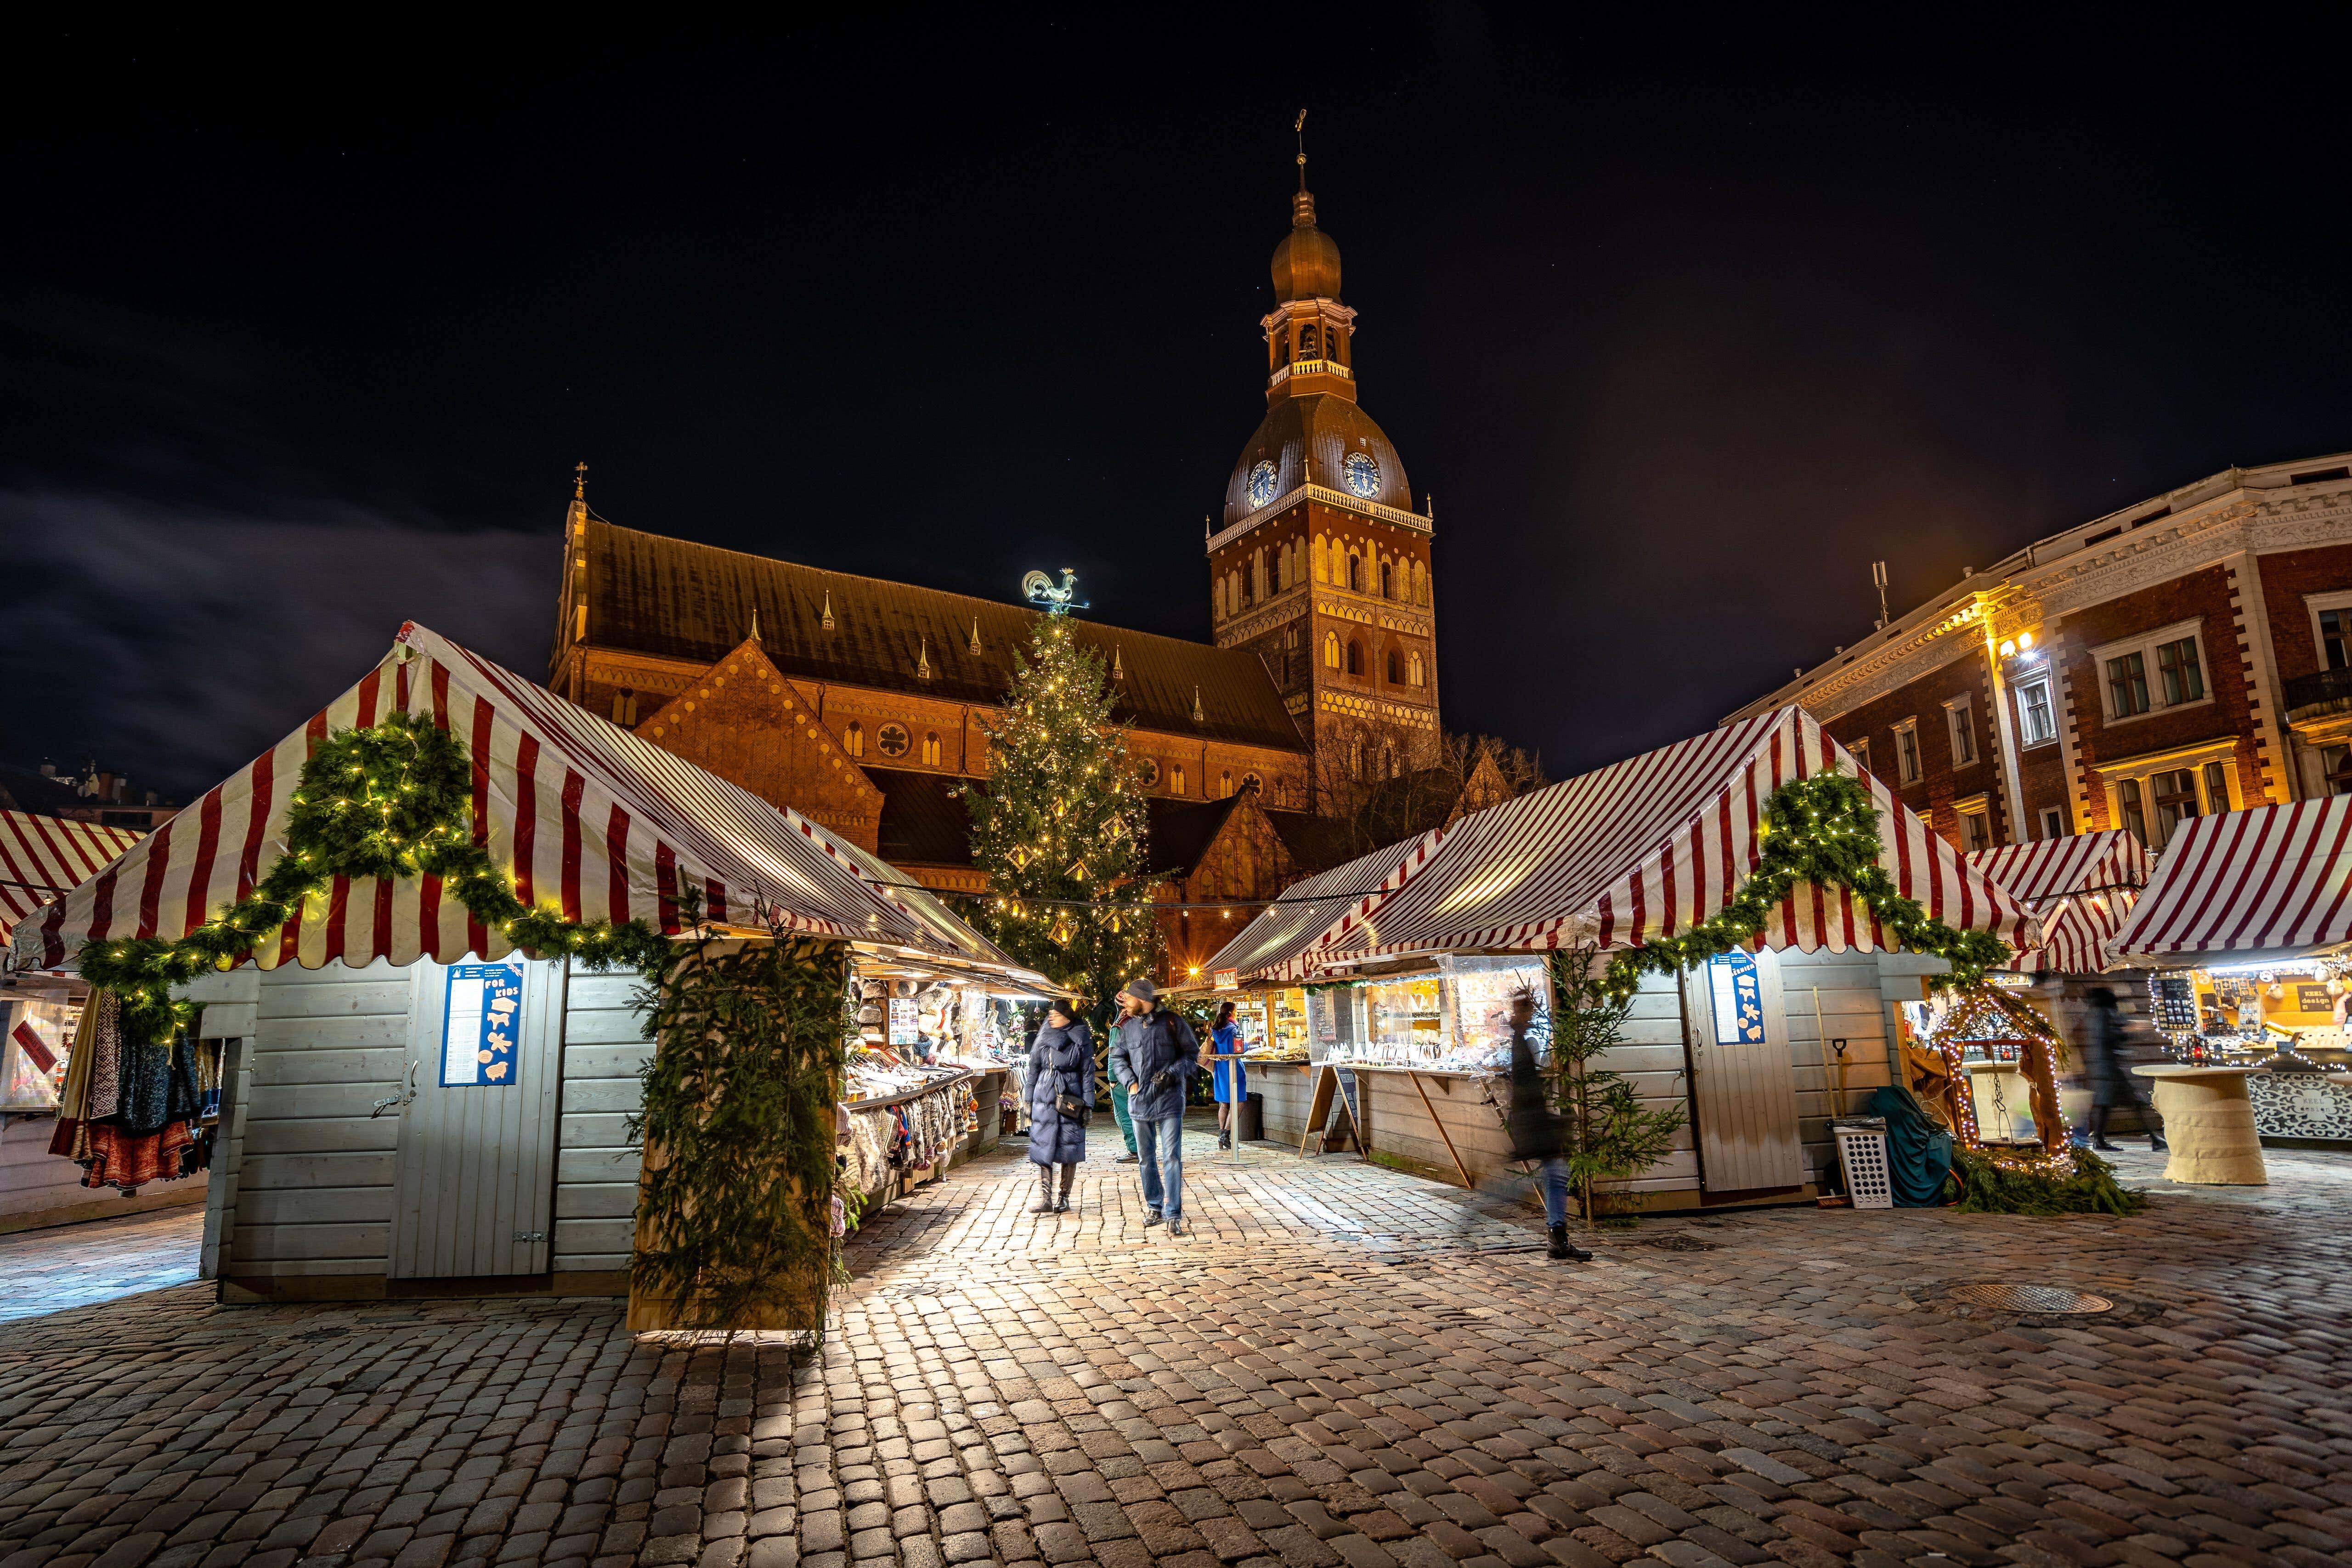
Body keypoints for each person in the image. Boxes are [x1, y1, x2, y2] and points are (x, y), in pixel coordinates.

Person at [1505, 991, 1591, 1262]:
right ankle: (1557, 1238)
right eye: (1528, 1010)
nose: (1532, 1015)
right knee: (1552, 1175)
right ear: (1521, 1013)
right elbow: (1523, 1084)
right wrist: (1546, 1120)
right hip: (1532, 1122)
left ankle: (1557, 1237)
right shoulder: (1521, 1040)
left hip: (1532, 1119)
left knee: (1555, 1174)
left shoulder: (1520, 1037)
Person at [1109, 978, 1199, 1235]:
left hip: (1169, 1099)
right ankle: (1155, 1207)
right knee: (1146, 1158)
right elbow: (1118, 1058)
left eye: (1129, 997)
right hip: (1139, 1101)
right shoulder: (1128, 1027)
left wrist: (1171, 1074)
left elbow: (1191, 1056)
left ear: (1143, 1000)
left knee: (1172, 1157)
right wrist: (1130, 1083)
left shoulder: (1173, 1022)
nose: (1125, 1001)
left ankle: (1174, 1214)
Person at [1025, 1002, 1094, 1214]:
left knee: (1068, 1146)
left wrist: (1088, 1105)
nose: (1052, 1017)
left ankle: (1064, 1197)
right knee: (1043, 1145)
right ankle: (1046, 1198)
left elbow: (1088, 1072)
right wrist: (1028, 1100)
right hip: (1044, 1095)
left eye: (1057, 1014)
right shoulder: (1044, 1035)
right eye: (1051, 1014)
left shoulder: (1081, 1037)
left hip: (1070, 1096)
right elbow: (1034, 1067)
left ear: (1067, 1017)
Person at [2081, 986, 2165, 1153]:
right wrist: (2129, 1030)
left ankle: (2101, 1139)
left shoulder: (2093, 1014)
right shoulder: (2105, 1013)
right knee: (2133, 1103)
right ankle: (2153, 1138)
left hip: (2101, 1067)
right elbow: (2112, 1036)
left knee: (2108, 1105)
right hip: (2110, 1068)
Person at [1208, 1001, 1247, 1149]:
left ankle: (1221, 1136)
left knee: (1224, 1103)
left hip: (1220, 1069)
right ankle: (1226, 1135)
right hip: (1234, 1068)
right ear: (1231, 1013)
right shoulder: (1233, 1029)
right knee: (1239, 1102)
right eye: (1236, 1010)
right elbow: (1237, 1050)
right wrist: (1248, 1044)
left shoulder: (1217, 1030)